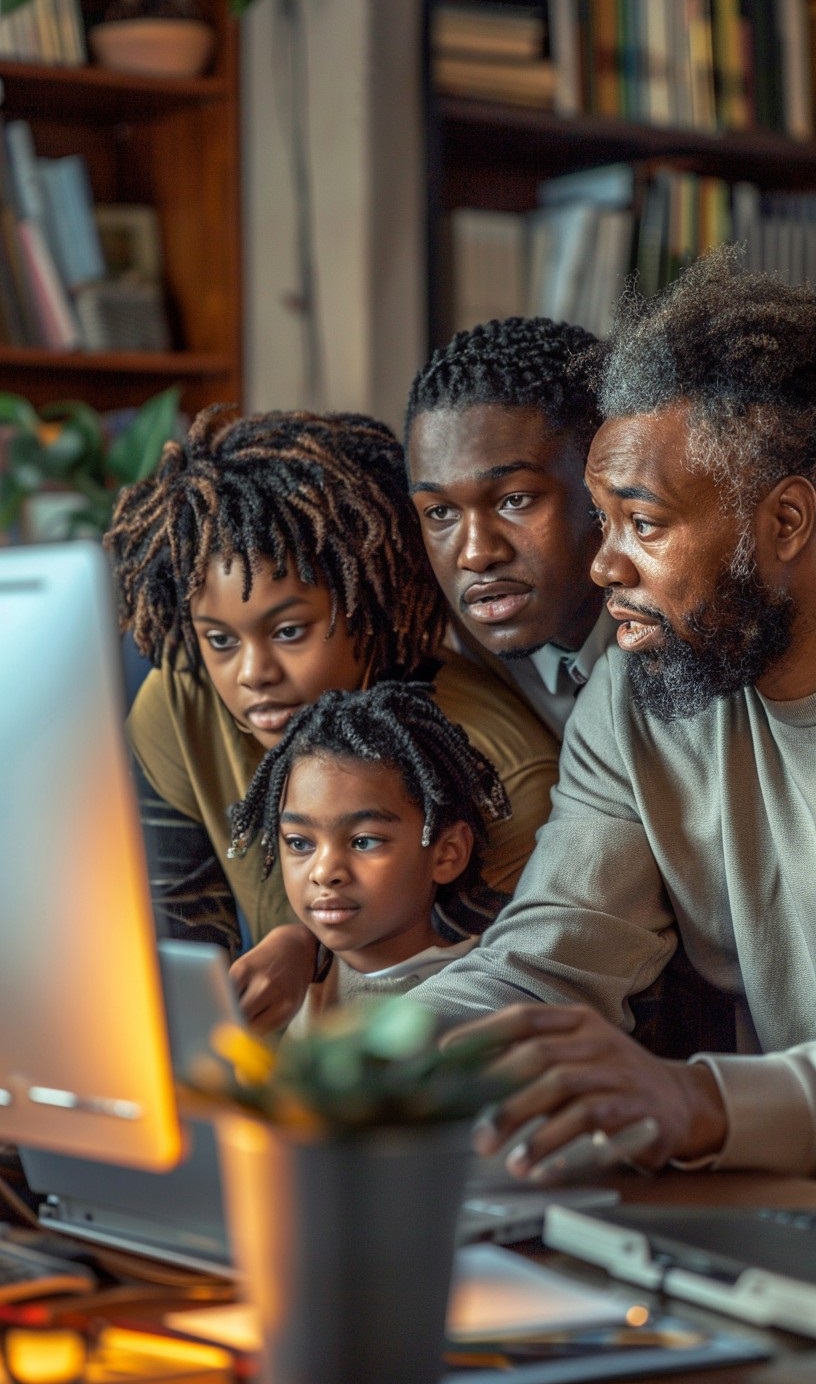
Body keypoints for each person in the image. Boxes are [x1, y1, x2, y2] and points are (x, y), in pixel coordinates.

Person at [404, 245, 816, 1178]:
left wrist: (695, 1099)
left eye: (646, 524)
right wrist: (369, 1065)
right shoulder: (639, 700)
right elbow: (545, 965)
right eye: (604, 520)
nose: (603, 566)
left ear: (784, 523)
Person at [105, 404, 558, 1028]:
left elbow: (496, 983)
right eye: (219, 640)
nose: (251, 673)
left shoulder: (495, 765)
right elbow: (178, 946)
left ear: (368, 603)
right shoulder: (181, 701)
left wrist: (309, 947)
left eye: (289, 631)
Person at [227, 682, 511, 1032]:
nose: (324, 872)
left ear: (446, 854)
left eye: (363, 842)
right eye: (300, 843)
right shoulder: (281, 984)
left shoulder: (482, 998)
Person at [404, 315, 617, 744]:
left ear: (605, 485)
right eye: (441, 512)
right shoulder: (438, 658)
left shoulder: (701, 640)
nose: (476, 554)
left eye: (514, 501)